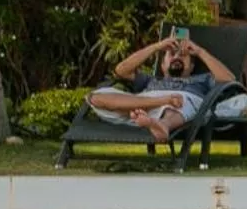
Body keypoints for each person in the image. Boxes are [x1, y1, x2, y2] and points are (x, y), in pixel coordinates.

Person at [87, 32, 235, 143]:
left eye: (183, 55)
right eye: (171, 54)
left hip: (179, 103)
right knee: (96, 97)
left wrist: (199, 51)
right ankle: (161, 104)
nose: (177, 57)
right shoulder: (150, 80)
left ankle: (162, 125)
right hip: (142, 106)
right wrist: (157, 47)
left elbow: (229, 80)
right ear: (162, 65)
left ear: (191, 66)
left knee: (180, 101)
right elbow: (121, 70)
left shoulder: (201, 80)